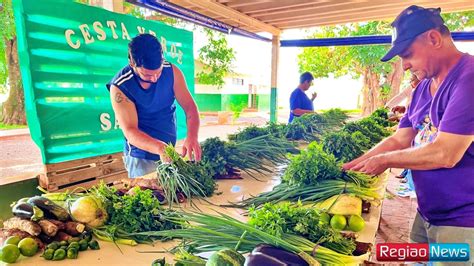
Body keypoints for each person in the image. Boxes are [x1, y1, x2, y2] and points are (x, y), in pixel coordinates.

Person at [343, 5, 474, 253]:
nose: (404, 66)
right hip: (427, 212)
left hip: (463, 221)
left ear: (433, 38)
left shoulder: (469, 78)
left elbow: (446, 153)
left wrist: (383, 161)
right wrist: (358, 163)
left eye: (407, 54)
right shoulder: (423, 88)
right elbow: (400, 138)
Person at [107, 34, 201, 178]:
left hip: (167, 149)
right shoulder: (121, 86)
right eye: (147, 75)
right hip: (141, 158)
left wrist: (192, 136)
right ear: (132, 63)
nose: (155, 78)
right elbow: (130, 131)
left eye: (158, 72)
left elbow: (190, 107)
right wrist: (160, 148)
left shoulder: (172, 72)